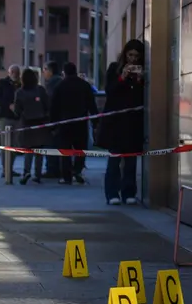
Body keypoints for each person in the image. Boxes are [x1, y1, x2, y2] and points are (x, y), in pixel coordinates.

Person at [97, 39, 145, 205]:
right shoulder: (114, 69)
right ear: (125, 54)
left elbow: (141, 97)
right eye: (130, 55)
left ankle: (129, 192)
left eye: (136, 56)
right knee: (114, 160)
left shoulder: (142, 73)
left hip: (133, 123)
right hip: (116, 122)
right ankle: (112, 193)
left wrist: (139, 80)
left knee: (131, 160)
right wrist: (122, 77)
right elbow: (110, 91)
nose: (133, 59)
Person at [49, 62, 99, 185]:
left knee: (65, 150)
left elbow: (54, 107)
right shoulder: (85, 85)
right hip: (81, 122)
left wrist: (53, 124)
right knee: (80, 149)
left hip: (64, 123)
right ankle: (77, 170)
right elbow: (91, 105)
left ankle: (66, 176)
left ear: (64, 72)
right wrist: (95, 122)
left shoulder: (60, 86)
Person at [11, 68, 51, 184]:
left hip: (26, 124)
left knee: (28, 150)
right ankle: (37, 174)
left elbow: (17, 111)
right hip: (40, 124)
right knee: (39, 151)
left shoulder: (20, 92)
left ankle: (26, 171)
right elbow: (47, 105)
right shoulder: (40, 90)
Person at [0, 64, 22, 179]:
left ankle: (11, 168)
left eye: (17, 72)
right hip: (5, 117)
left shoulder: (20, 84)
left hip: (17, 118)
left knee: (14, 145)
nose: (15, 74)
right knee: (6, 145)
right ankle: (5, 169)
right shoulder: (3, 83)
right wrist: (7, 105)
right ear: (9, 73)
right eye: (13, 72)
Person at [41, 61, 63, 178]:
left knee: (51, 144)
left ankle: (52, 169)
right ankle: (59, 168)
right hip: (63, 118)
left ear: (50, 71)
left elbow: (50, 102)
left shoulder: (52, 84)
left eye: (44, 70)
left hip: (53, 120)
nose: (43, 73)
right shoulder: (61, 81)